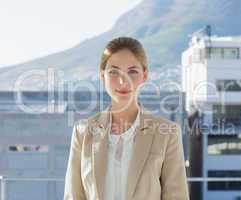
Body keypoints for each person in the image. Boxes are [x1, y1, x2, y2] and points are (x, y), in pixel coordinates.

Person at [63, 36, 189, 200]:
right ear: (102, 76)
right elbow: (73, 196)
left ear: (145, 75)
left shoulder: (167, 134)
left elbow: (176, 196)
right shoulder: (83, 132)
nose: (123, 81)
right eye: (114, 72)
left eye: (132, 72)